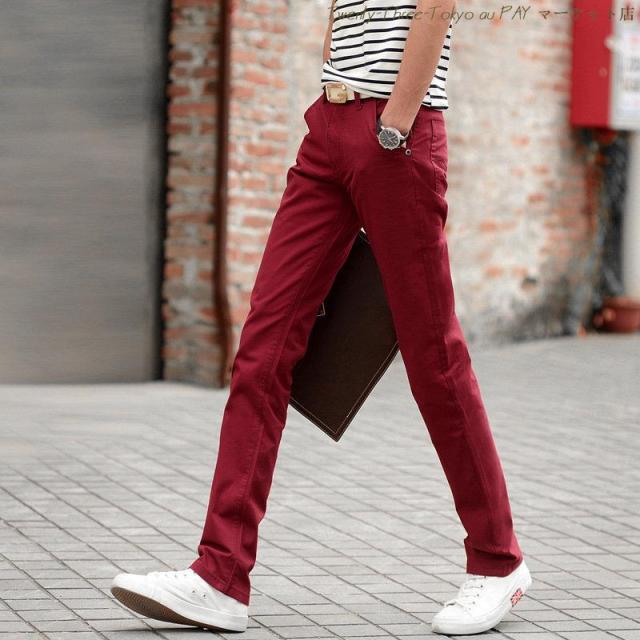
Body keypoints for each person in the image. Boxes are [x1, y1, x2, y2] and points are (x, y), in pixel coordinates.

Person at [110, 0, 532, 634]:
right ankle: (220, 577)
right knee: (263, 346)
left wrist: (395, 123)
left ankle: (499, 562)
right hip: (329, 129)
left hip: (396, 134)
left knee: (434, 358)